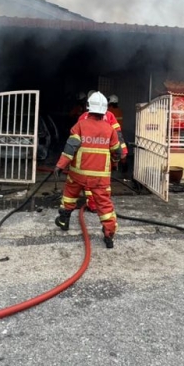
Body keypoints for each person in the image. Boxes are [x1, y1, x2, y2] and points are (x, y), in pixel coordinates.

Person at [54, 91, 122, 248]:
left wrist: (60, 165)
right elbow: (117, 151)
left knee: (70, 196)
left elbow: (70, 148)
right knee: (104, 205)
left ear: (88, 108)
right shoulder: (109, 129)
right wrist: (116, 162)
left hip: (78, 174)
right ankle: (109, 235)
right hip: (100, 178)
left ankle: (64, 221)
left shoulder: (80, 125)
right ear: (105, 110)